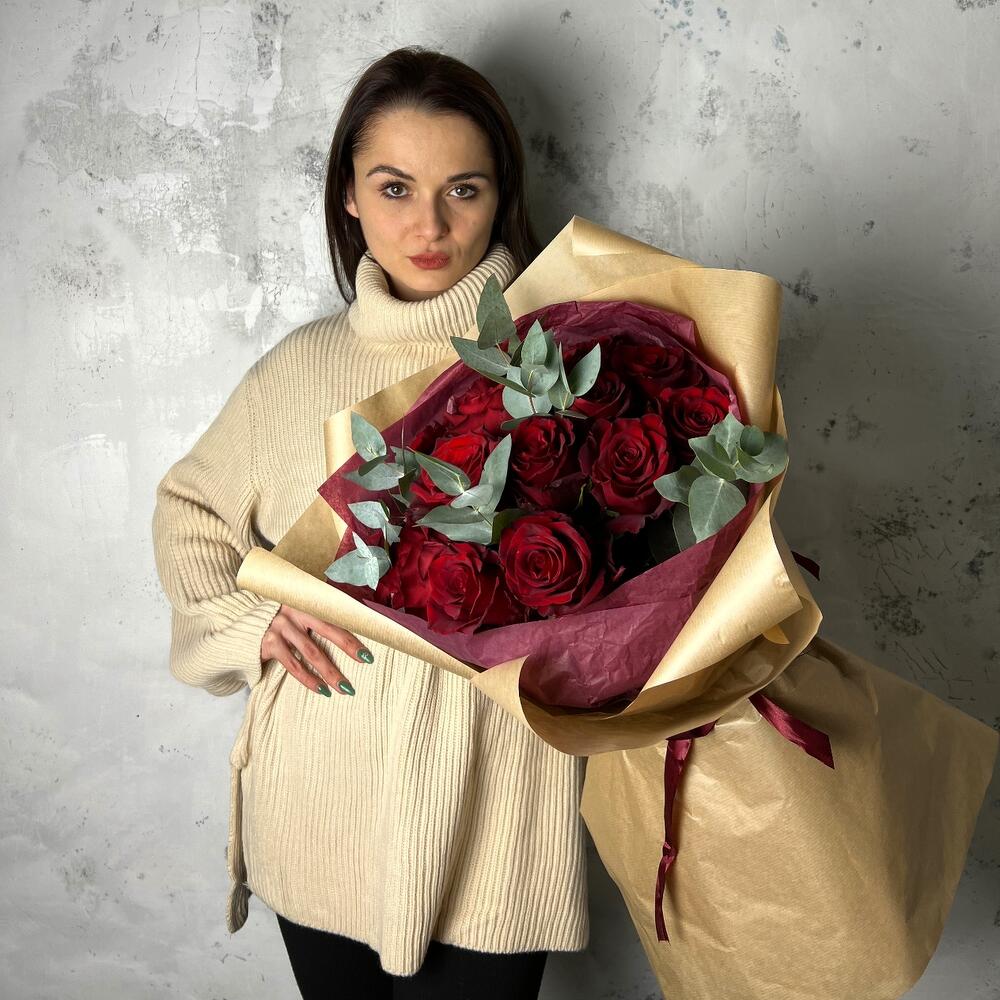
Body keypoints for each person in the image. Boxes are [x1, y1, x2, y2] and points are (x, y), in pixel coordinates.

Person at [151, 47, 589, 999]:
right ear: (349, 196)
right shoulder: (297, 369)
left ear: (501, 193)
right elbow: (190, 510)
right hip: (320, 800)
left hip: (497, 804)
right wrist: (250, 622)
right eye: (395, 188)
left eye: (462, 189)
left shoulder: (574, 357)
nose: (429, 226)